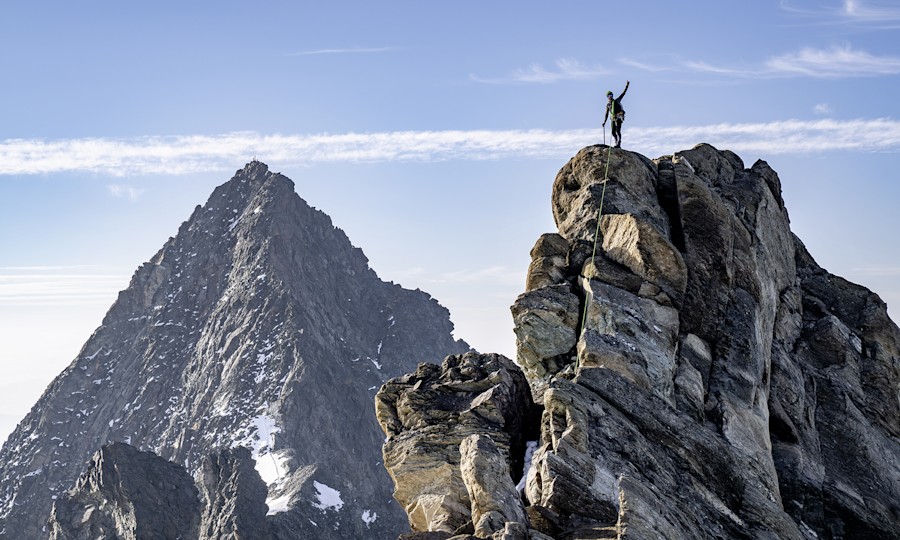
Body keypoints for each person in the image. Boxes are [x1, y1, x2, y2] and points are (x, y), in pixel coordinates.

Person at [602, 80, 630, 148]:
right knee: (613, 132)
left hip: (619, 117)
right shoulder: (608, 105)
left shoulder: (617, 100)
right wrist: (604, 122)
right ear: (607, 97)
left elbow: (623, 93)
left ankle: (618, 144)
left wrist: (627, 85)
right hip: (612, 119)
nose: (610, 96)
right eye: (609, 95)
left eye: (611, 95)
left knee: (618, 131)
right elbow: (606, 114)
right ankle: (616, 141)